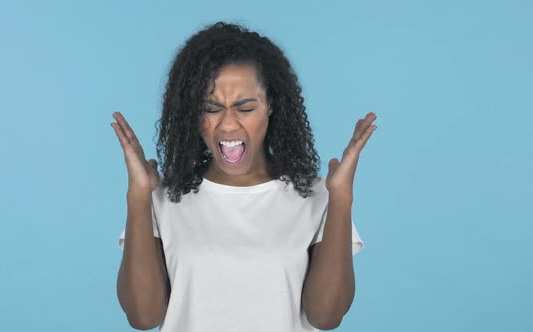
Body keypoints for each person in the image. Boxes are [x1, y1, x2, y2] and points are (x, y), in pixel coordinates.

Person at [111, 22, 377, 332]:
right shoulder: (163, 198)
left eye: (245, 107)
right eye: (211, 108)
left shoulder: (316, 197)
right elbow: (143, 318)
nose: (227, 124)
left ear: (270, 107)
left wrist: (341, 198)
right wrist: (138, 196)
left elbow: (326, 317)